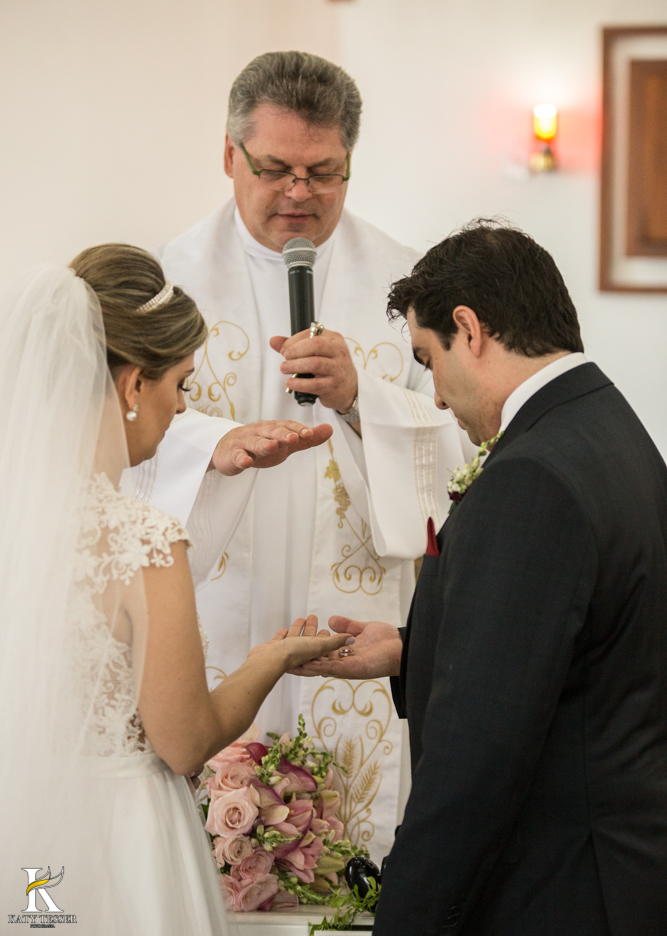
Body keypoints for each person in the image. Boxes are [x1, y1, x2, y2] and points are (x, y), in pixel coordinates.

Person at [122, 51, 472, 859]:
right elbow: (109, 435)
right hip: (212, 619)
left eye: (323, 172)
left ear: (350, 163)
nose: (298, 193)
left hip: (349, 619)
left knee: (338, 864)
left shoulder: (406, 284)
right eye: (275, 168)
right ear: (229, 155)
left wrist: (361, 400)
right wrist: (209, 445)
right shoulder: (165, 282)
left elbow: (458, 455)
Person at [292, 221, 667, 935]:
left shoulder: (530, 477)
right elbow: (575, 647)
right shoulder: (608, 427)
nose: (435, 397)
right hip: (625, 869)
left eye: (428, 359)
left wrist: (405, 919)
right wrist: (413, 648)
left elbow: (477, 757)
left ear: (468, 329)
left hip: (562, 888)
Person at [0, 245, 350, 935]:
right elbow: (185, 742)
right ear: (134, 384)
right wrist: (269, 661)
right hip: (117, 838)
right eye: (181, 383)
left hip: (26, 833)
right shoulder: (142, 540)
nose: (182, 407)